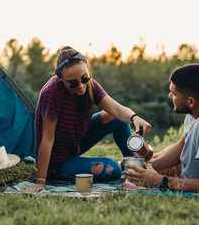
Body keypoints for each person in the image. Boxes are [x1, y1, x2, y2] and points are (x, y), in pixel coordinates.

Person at [28, 46, 151, 192]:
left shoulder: (90, 85)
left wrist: (134, 118)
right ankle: (123, 167)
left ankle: (134, 165)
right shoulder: (52, 93)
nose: (80, 86)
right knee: (113, 168)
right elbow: (47, 140)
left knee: (117, 118)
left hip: (74, 143)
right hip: (57, 162)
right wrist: (41, 182)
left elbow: (117, 109)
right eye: (72, 83)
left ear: (87, 72)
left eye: (84, 78)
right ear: (61, 79)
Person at [123, 64, 199, 192]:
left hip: (194, 181)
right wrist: (148, 165)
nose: (169, 96)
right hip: (183, 168)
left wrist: (159, 181)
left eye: (173, 93)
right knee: (126, 169)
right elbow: (182, 146)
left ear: (191, 102)